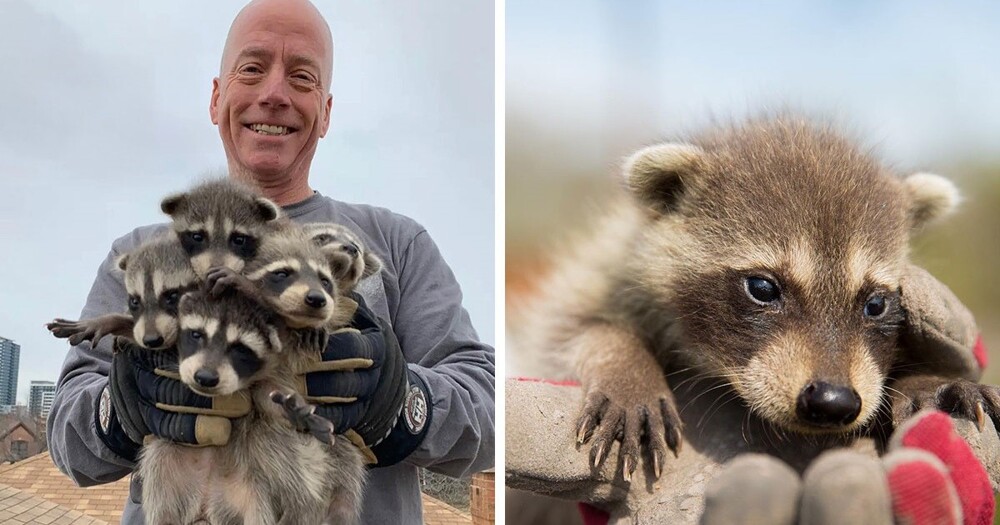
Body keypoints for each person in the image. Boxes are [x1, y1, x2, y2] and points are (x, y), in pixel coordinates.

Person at [46, 0, 495, 523]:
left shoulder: (397, 244)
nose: (274, 94)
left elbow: (484, 408)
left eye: (302, 77)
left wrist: (403, 403)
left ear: (325, 113)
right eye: (252, 68)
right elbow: (68, 440)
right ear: (217, 98)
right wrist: (118, 411)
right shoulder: (145, 254)